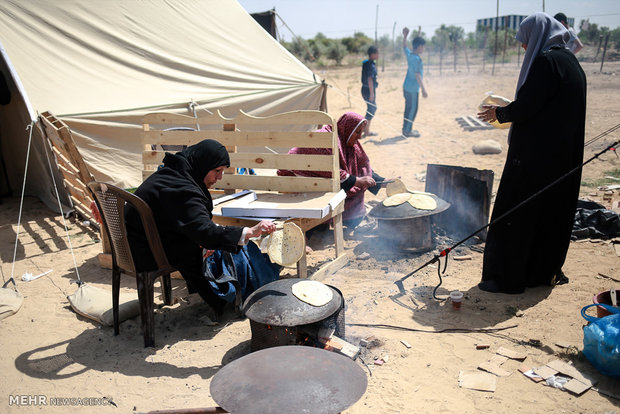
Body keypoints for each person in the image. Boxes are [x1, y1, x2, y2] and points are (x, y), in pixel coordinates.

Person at [477, 12, 586, 294]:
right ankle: (541, 272)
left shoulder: (546, 61)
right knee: (550, 214)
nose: (524, 48)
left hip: (535, 158)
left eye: (525, 41)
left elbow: (528, 106)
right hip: (562, 158)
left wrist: (499, 113)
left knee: (517, 213)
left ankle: (507, 277)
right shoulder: (570, 61)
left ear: (537, 35)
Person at [125, 139, 281, 314]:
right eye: (217, 171)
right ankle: (222, 301)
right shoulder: (181, 188)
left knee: (213, 242)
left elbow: (189, 222)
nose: (220, 177)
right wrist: (250, 231)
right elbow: (204, 231)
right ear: (203, 164)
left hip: (140, 244)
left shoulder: (173, 174)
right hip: (147, 253)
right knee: (213, 250)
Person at [277, 112, 390, 229]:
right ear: (348, 128)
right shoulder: (326, 139)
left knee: (353, 185)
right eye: (357, 132)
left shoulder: (348, 142)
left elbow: (360, 168)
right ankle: (319, 225)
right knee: (347, 184)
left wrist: (382, 181)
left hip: (321, 178)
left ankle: (348, 220)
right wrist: (357, 180)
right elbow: (328, 169)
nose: (360, 136)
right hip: (298, 178)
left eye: (361, 132)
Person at [401, 28, 428, 138]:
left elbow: (404, 46)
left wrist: (405, 36)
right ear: (419, 46)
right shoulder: (416, 59)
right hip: (412, 89)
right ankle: (407, 131)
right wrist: (423, 90)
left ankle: (406, 129)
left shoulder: (410, 55)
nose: (423, 48)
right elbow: (417, 75)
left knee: (408, 109)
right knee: (412, 110)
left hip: (406, 87)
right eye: (423, 46)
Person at [361, 45, 379, 137]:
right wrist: (372, 94)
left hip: (366, 89)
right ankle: (364, 130)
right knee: (371, 109)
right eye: (377, 53)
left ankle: (365, 129)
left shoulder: (367, 63)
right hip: (368, 90)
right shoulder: (370, 65)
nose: (378, 55)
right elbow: (370, 79)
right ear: (372, 54)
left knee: (371, 109)